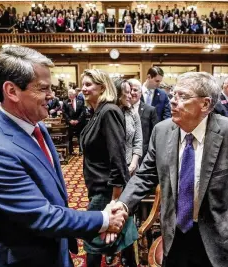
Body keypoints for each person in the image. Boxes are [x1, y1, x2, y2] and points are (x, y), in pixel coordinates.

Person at [0, 46, 128, 267]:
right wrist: (105, 219)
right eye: (43, 88)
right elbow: (39, 216)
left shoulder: (37, 127)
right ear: (12, 91)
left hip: (53, 249)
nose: (51, 95)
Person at [111, 72, 228, 267]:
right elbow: (144, 175)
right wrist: (124, 204)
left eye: (183, 96)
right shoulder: (161, 131)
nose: (173, 101)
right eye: (174, 95)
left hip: (216, 237)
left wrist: (227, 221)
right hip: (174, 232)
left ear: (205, 104)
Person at [80, 69, 137, 267]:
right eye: (83, 84)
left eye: (88, 84)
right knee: (114, 237)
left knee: (93, 242)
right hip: (97, 187)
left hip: (106, 190)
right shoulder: (97, 112)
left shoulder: (109, 111)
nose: (83, 88)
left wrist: (115, 199)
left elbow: (118, 158)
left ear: (102, 87)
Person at [113, 78, 142, 266]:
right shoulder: (110, 112)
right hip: (113, 172)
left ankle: (126, 250)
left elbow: (138, 141)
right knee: (113, 209)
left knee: (128, 209)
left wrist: (133, 163)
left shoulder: (133, 113)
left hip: (131, 169)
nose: (130, 94)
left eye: (132, 91)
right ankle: (112, 248)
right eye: (126, 91)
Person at [129, 78, 159, 164]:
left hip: (144, 155)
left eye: (135, 90)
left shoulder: (150, 110)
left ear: (140, 92)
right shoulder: (120, 109)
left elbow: (155, 135)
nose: (132, 92)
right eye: (130, 90)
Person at [62, 89, 85, 156]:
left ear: (74, 94)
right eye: (69, 93)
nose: (69, 94)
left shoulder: (80, 101)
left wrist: (78, 120)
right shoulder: (65, 102)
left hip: (79, 123)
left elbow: (83, 112)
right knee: (70, 138)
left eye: (71, 93)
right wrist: (70, 120)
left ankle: (81, 151)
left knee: (80, 137)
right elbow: (64, 113)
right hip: (70, 124)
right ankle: (71, 151)